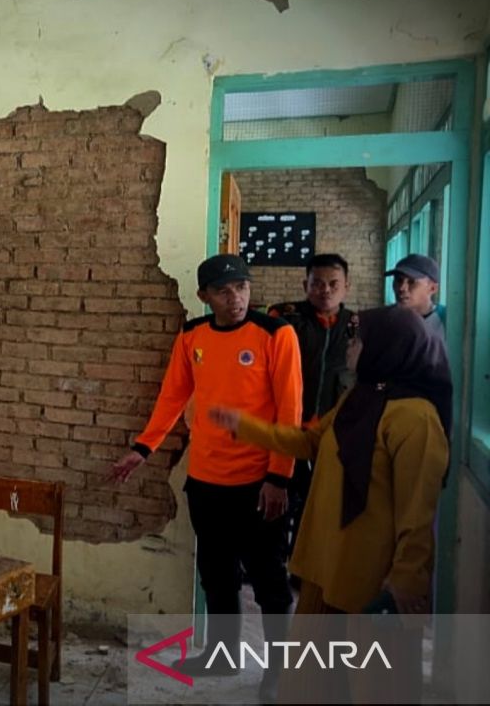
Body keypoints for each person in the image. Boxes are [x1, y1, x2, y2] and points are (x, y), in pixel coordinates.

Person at [209, 305, 450, 703]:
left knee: (374, 681)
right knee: (314, 676)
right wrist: (244, 426)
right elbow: (311, 442)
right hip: (327, 561)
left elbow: (418, 510)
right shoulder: (360, 397)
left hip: (370, 575)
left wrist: (407, 577)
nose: (350, 347)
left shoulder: (415, 419)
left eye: (357, 340)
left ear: (386, 348)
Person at [109, 253, 302, 702]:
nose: (235, 298)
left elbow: (290, 410)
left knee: (270, 580)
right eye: (223, 290)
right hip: (207, 480)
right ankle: (222, 653)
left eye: (242, 287)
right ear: (205, 296)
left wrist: (280, 478)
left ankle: (280, 671)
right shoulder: (193, 335)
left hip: (259, 483)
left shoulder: (276, 334)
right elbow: (173, 395)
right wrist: (143, 448)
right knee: (216, 575)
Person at [267, 253, 357, 575]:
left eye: (334, 284)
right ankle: (273, 564)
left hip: (331, 433)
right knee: (278, 500)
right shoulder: (285, 318)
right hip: (289, 430)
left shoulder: (356, 326)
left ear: (347, 286)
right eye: (317, 283)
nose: (325, 290)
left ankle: (303, 568)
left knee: (318, 505)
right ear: (305, 284)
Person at [386, 253, 446, 343]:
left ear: (432, 288)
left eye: (411, 282)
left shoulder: (447, 321)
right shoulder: (387, 319)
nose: (402, 288)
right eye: (399, 280)